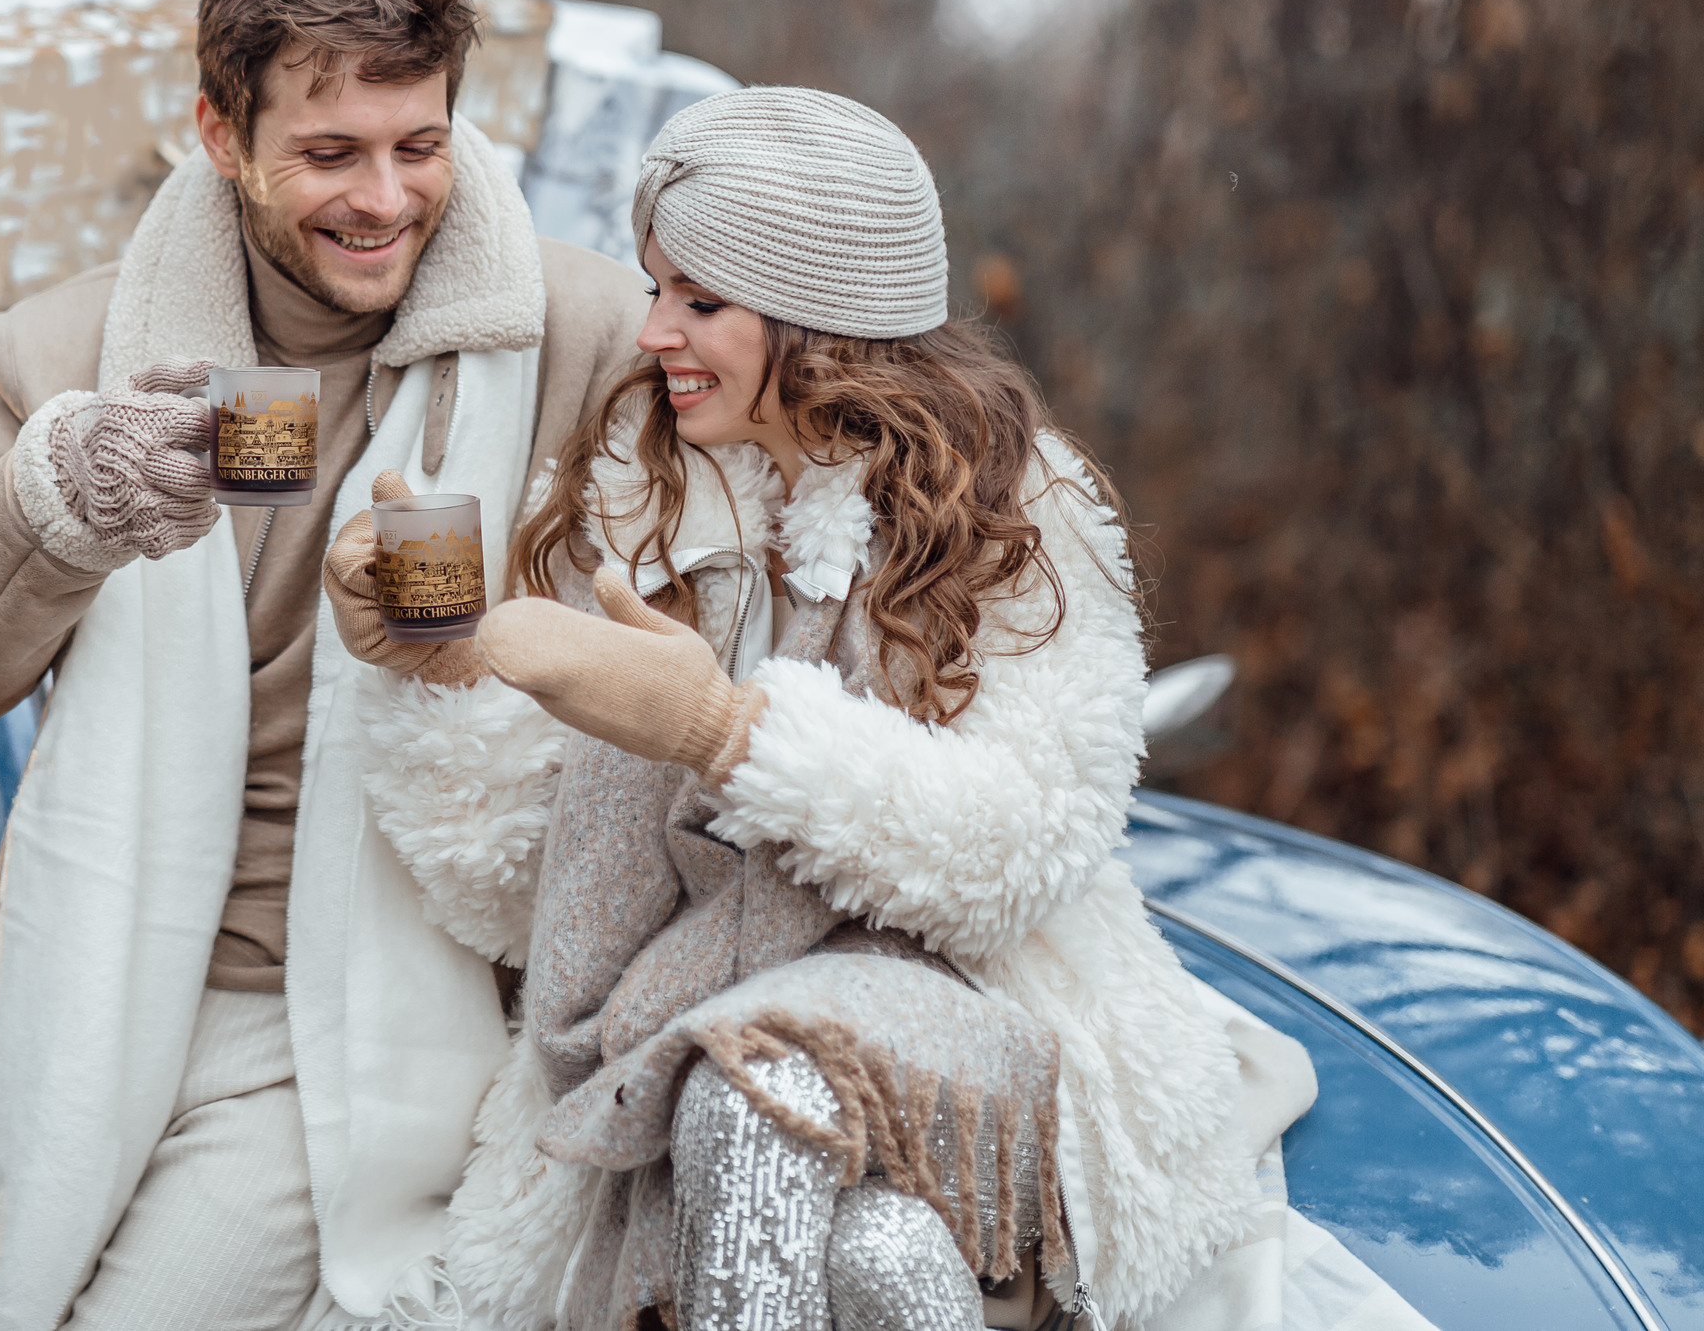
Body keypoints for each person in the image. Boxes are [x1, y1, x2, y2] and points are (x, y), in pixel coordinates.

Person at [325, 88, 1434, 1330]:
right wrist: (432, 671)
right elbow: (515, 892)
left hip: (965, 1003)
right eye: (652, 289)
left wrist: (732, 737)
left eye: (699, 300)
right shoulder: (642, 489)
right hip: (668, 1002)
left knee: (752, 1088)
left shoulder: (1021, 511)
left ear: (825, 319)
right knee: (874, 1256)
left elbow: (1024, 846)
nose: (650, 335)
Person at [0, 0, 649, 1331]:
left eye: (421, 144)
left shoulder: (582, 335)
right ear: (221, 136)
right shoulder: (68, 351)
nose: (387, 197)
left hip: (374, 1011)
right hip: (104, 989)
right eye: (329, 152)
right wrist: (60, 499)